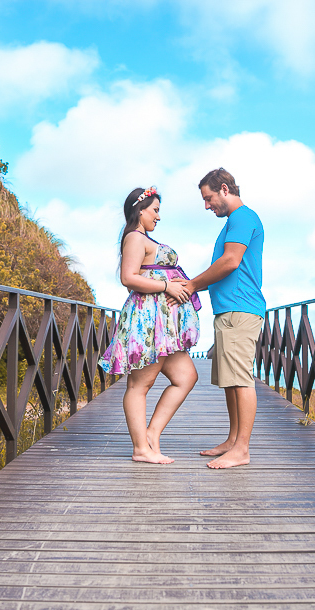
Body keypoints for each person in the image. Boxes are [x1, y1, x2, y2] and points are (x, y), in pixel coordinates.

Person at [100, 186, 200, 464]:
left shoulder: (143, 238)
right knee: (139, 386)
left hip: (164, 327)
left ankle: (151, 435)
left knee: (186, 378)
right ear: (140, 210)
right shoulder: (134, 237)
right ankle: (140, 449)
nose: (158, 217)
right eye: (155, 210)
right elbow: (128, 277)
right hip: (147, 322)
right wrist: (167, 285)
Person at [175, 168, 265, 469]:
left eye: (209, 198)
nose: (206, 205)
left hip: (241, 309)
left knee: (240, 381)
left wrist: (191, 285)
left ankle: (242, 450)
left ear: (224, 189)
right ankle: (232, 440)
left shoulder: (242, 217)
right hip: (229, 311)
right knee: (230, 381)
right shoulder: (233, 222)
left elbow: (231, 261)